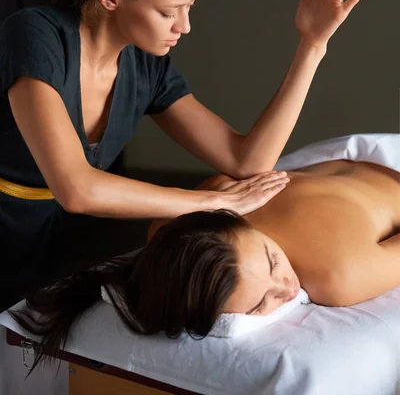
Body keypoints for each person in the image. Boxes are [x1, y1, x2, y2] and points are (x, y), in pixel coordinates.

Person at [0, 0, 370, 312]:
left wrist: (312, 45)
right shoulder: (36, 37)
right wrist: (212, 202)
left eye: (189, 7)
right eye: (167, 12)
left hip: (54, 240)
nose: (185, 26)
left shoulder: (146, 67)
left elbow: (245, 161)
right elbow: (76, 188)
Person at [11, 148, 400, 373]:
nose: (288, 287)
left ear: (229, 215)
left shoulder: (340, 273)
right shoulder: (170, 229)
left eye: (272, 260)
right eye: (262, 304)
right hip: (344, 172)